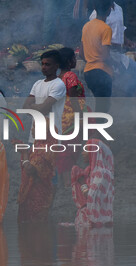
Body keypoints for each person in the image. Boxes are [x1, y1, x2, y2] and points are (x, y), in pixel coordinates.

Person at [89, 1, 136, 96]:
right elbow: (95, 39)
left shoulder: (119, 8)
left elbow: (120, 29)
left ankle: (126, 97)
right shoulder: (96, 14)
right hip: (106, 55)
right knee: (111, 82)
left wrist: (127, 41)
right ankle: (119, 99)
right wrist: (112, 45)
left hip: (119, 53)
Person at [57, 47, 88, 187]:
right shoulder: (70, 76)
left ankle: (65, 181)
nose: (76, 60)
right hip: (71, 119)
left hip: (61, 119)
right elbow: (74, 99)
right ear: (69, 61)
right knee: (69, 151)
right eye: (74, 58)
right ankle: (68, 183)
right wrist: (81, 117)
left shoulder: (57, 77)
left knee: (64, 151)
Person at [71, 139, 114, 227]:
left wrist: (82, 183)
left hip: (98, 221)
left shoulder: (102, 173)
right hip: (87, 219)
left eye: (86, 150)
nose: (82, 153)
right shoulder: (88, 171)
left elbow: (90, 196)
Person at [24, 50, 67, 139]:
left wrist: (32, 106)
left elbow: (44, 109)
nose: (43, 67)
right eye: (42, 64)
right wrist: (39, 108)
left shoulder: (58, 84)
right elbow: (25, 108)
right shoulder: (37, 83)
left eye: (47, 64)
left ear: (56, 66)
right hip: (34, 136)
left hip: (51, 136)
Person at [81, 0, 113, 113]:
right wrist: (116, 65)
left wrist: (91, 58)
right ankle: (98, 129)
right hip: (102, 73)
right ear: (110, 10)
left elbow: (81, 53)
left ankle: (96, 128)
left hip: (88, 73)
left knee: (99, 106)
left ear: (94, 7)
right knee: (103, 109)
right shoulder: (106, 29)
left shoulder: (86, 26)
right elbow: (105, 56)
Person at [18, 135, 57, 223]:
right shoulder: (37, 145)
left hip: (38, 196)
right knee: (28, 229)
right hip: (31, 195)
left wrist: (24, 153)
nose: (32, 130)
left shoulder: (45, 149)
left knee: (36, 228)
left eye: (34, 127)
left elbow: (30, 170)